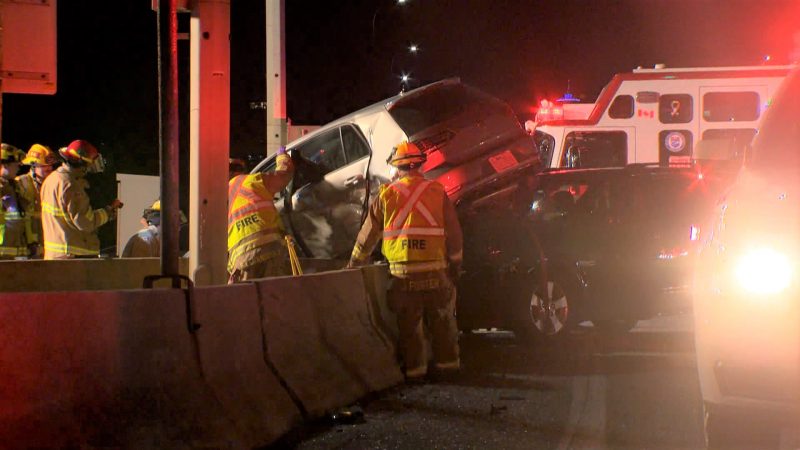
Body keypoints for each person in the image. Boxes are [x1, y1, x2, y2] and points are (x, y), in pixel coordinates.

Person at [347, 141, 463, 381]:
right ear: (420, 165)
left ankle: (415, 371)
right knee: (441, 321)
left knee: (409, 327)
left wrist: (354, 263)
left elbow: (367, 235)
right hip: (436, 272)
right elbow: (454, 233)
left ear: (396, 167)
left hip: (402, 276)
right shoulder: (437, 192)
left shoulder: (387, 195)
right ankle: (448, 367)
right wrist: (456, 263)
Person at [40, 139, 123, 260]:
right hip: (73, 258)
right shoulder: (71, 185)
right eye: (90, 164)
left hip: (56, 256)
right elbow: (85, 222)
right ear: (81, 164)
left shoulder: (51, 179)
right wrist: (108, 211)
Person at [227, 147, 294, 282]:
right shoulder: (252, 181)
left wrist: (232, 269)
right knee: (273, 297)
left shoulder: (218, 198)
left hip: (243, 257)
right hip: (270, 249)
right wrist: (282, 156)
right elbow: (284, 174)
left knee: (246, 301)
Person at [16, 143, 59, 258]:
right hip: (26, 248)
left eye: (50, 165)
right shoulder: (20, 183)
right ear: (33, 165)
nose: (49, 168)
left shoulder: (53, 185)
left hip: (47, 247)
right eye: (44, 165)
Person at [0, 143, 29, 259]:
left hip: (17, 251)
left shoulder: (15, 186)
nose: (18, 167)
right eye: (15, 164)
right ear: (5, 165)